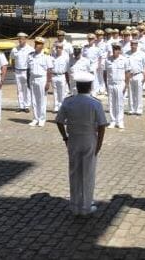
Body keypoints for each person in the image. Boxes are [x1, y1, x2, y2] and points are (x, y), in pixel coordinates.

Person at [55, 71, 107, 216]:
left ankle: (75, 205)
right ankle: (86, 206)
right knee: (88, 173)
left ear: (76, 86)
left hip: (73, 139)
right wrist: (99, 144)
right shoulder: (95, 103)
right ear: (90, 86)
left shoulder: (69, 101)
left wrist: (65, 137)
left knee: (74, 172)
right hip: (90, 138)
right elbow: (102, 125)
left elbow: (59, 121)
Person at [26, 37, 53, 127]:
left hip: (42, 79)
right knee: (33, 99)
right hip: (32, 79)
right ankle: (35, 118)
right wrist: (28, 81)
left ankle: (41, 119)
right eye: (36, 43)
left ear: (42, 45)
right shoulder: (30, 56)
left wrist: (48, 82)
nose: (36, 45)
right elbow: (28, 70)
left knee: (41, 100)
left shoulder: (46, 57)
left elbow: (49, 70)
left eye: (39, 44)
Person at [105, 43, 130, 129]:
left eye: (117, 49)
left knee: (119, 103)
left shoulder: (124, 59)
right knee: (111, 103)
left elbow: (127, 73)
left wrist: (126, 85)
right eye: (114, 49)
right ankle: (112, 120)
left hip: (120, 83)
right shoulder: (108, 60)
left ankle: (119, 121)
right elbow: (105, 73)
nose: (115, 51)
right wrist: (106, 84)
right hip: (111, 83)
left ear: (120, 50)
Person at [10, 32, 33, 112]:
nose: (20, 40)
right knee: (19, 89)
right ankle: (21, 105)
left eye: (22, 39)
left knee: (27, 89)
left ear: (25, 39)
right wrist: (14, 69)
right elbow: (12, 60)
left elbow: (32, 61)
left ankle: (26, 106)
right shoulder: (14, 49)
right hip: (18, 71)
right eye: (19, 38)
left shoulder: (30, 49)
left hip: (26, 71)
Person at [127, 39, 145, 115]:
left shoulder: (142, 54)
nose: (133, 46)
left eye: (135, 44)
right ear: (130, 45)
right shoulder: (126, 54)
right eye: (132, 44)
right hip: (129, 75)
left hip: (139, 74)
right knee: (130, 93)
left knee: (138, 93)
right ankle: (131, 109)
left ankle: (139, 109)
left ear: (137, 45)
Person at [50, 42, 70, 113]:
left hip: (62, 76)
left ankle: (61, 107)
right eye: (57, 47)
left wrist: (68, 79)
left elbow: (68, 69)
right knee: (55, 92)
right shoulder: (52, 57)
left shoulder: (66, 57)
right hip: (54, 75)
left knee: (62, 92)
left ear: (62, 49)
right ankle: (56, 107)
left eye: (60, 48)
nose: (58, 49)